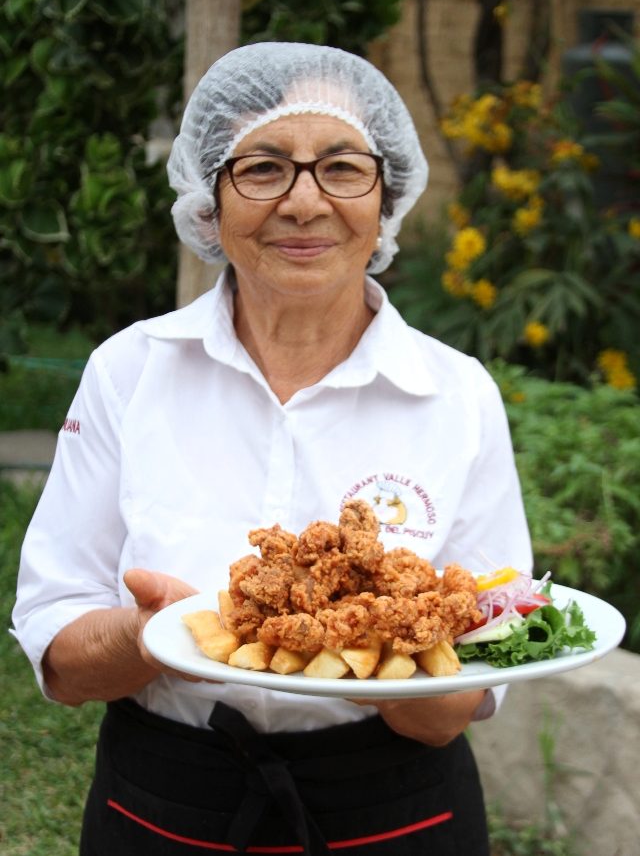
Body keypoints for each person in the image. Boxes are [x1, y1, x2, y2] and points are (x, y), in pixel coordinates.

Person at [12, 42, 532, 855]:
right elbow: (61, 651)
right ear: (208, 201)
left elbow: (458, 702)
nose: (303, 202)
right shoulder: (129, 371)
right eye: (261, 168)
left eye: (341, 168)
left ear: (385, 198)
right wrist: (153, 636)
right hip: (164, 805)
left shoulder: (457, 394)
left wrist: (385, 648)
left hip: (393, 813)